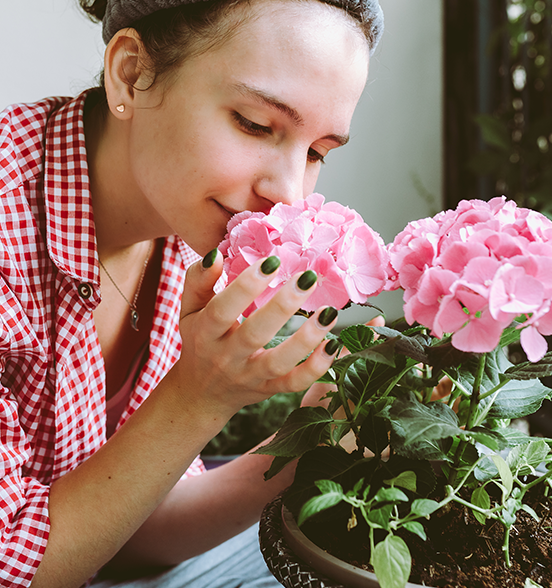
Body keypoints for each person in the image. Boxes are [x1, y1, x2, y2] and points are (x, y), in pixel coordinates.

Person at [0, 0, 384, 586]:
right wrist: (198, 396)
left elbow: (131, 529)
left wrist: (315, 437)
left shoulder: (187, 230)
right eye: (255, 124)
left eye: (315, 153)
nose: (286, 193)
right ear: (130, 73)